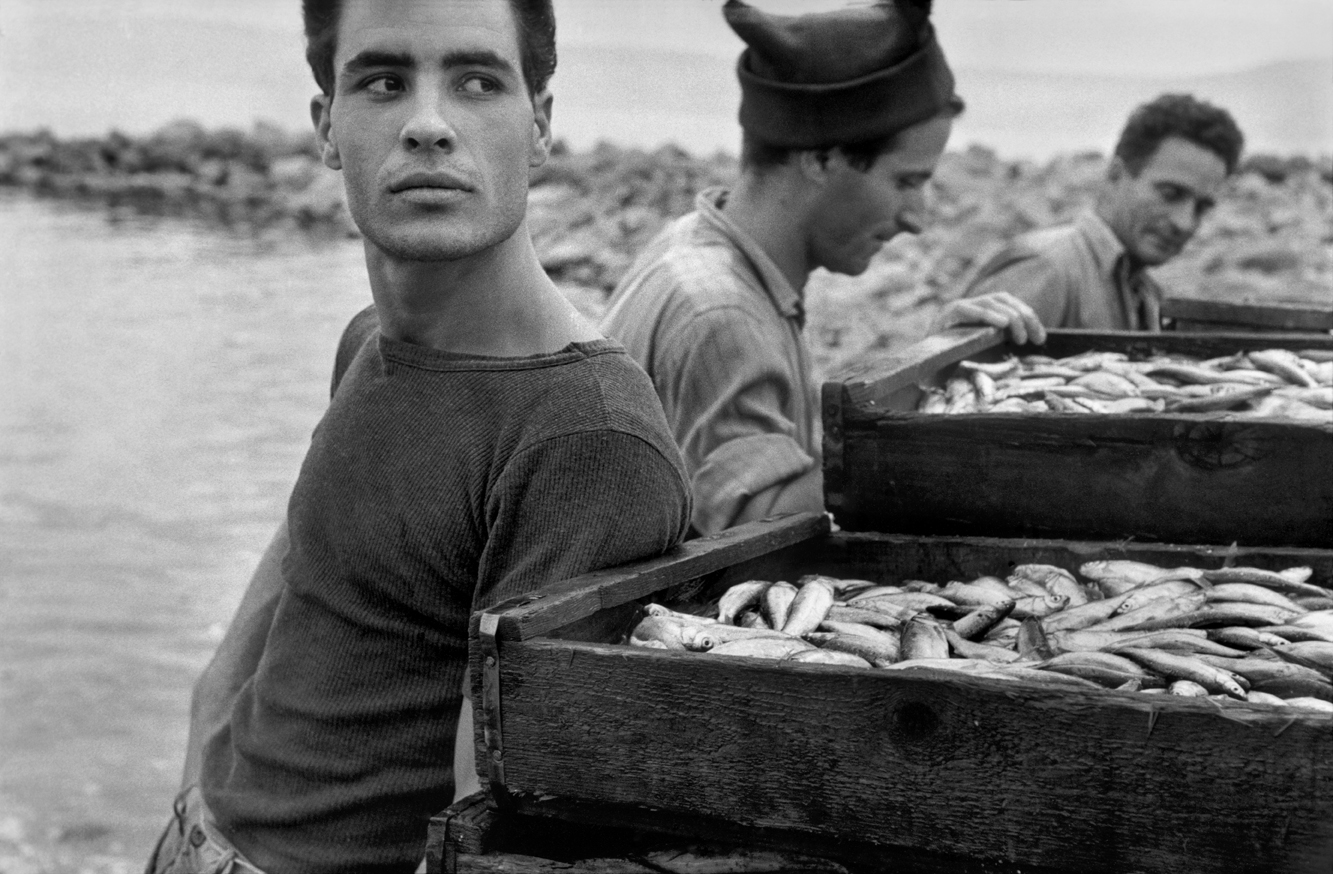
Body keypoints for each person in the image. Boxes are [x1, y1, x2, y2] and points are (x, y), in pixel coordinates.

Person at [145, 1, 692, 872]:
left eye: (477, 81)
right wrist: (203, 738)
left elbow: (493, 835)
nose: (429, 125)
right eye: (383, 81)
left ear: (540, 125)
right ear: (327, 127)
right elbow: (304, 575)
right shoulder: (370, 341)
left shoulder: (584, 436)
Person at [600, 0, 1043, 537]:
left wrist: (926, 373)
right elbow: (752, 534)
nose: (918, 218)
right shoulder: (724, 315)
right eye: (905, 181)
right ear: (819, 158)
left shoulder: (699, 241)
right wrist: (937, 421)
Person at [962, 92, 1244, 331]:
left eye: (1202, 207)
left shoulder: (1145, 292)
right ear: (1115, 175)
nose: (1184, 223)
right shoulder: (1048, 269)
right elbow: (952, 384)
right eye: (1170, 194)